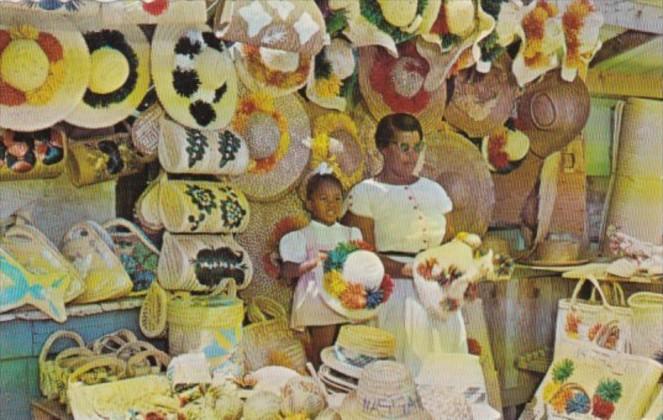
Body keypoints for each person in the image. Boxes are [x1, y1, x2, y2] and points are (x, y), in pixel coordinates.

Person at [342, 113, 467, 375]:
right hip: (396, 296)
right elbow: (362, 257)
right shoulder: (365, 193)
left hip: (438, 295)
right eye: (403, 148)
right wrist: (407, 270)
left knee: (444, 372)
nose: (411, 156)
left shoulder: (435, 191)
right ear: (383, 149)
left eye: (416, 147)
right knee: (405, 371)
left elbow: (452, 241)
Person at [279, 170, 362, 368]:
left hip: (345, 295)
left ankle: (338, 383)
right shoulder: (302, 237)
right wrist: (309, 263)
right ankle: (321, 377)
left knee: (346, 348)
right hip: (318, 297)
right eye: (323, 198)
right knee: (323, 350)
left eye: (336, 198)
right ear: (309, 203)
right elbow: (287, 270)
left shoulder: (350, 233)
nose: (332, 204)